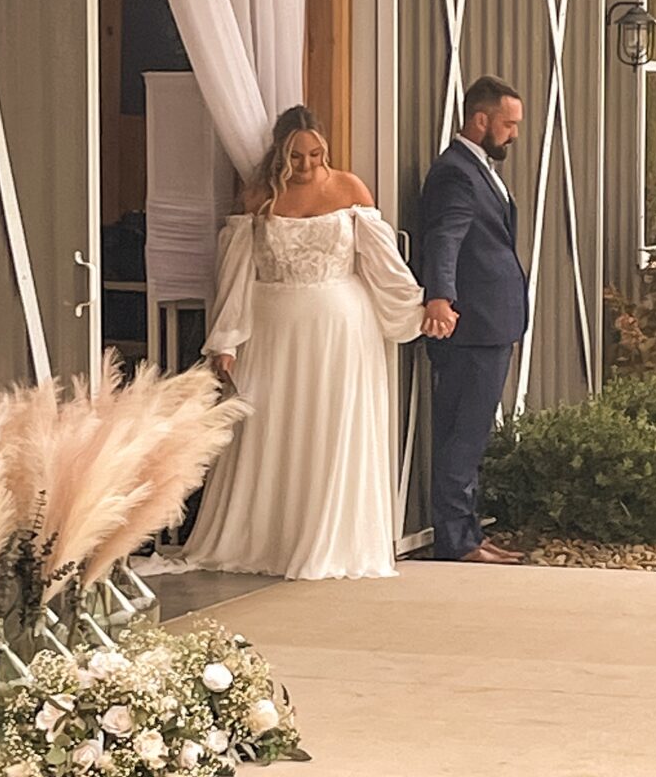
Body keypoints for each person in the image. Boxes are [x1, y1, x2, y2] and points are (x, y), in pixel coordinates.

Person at [177, 105, 447, 581]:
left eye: (315, 154)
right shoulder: (258, 196)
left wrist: (418, 307)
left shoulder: (349, 189)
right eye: (296, 156)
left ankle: (329, 538)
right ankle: (268, 539)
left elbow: (382, 262)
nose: (306, 165)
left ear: (326, 149)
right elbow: (237, 274)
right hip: (272, 327)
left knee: (331, 425)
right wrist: (226, 339)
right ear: (279, 154)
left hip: (342, 330)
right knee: (270, 425)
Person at [420, 75, 529, 565]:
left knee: (471, 432)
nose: (514, 134)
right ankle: (456, 541)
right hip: (472, 326)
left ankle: (468, 532)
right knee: (462, 434)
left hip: (492, 323)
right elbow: (446, 236)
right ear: (479, 119)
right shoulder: (455, 173)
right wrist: (440, 296)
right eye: (508, 123)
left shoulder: (480, 167)